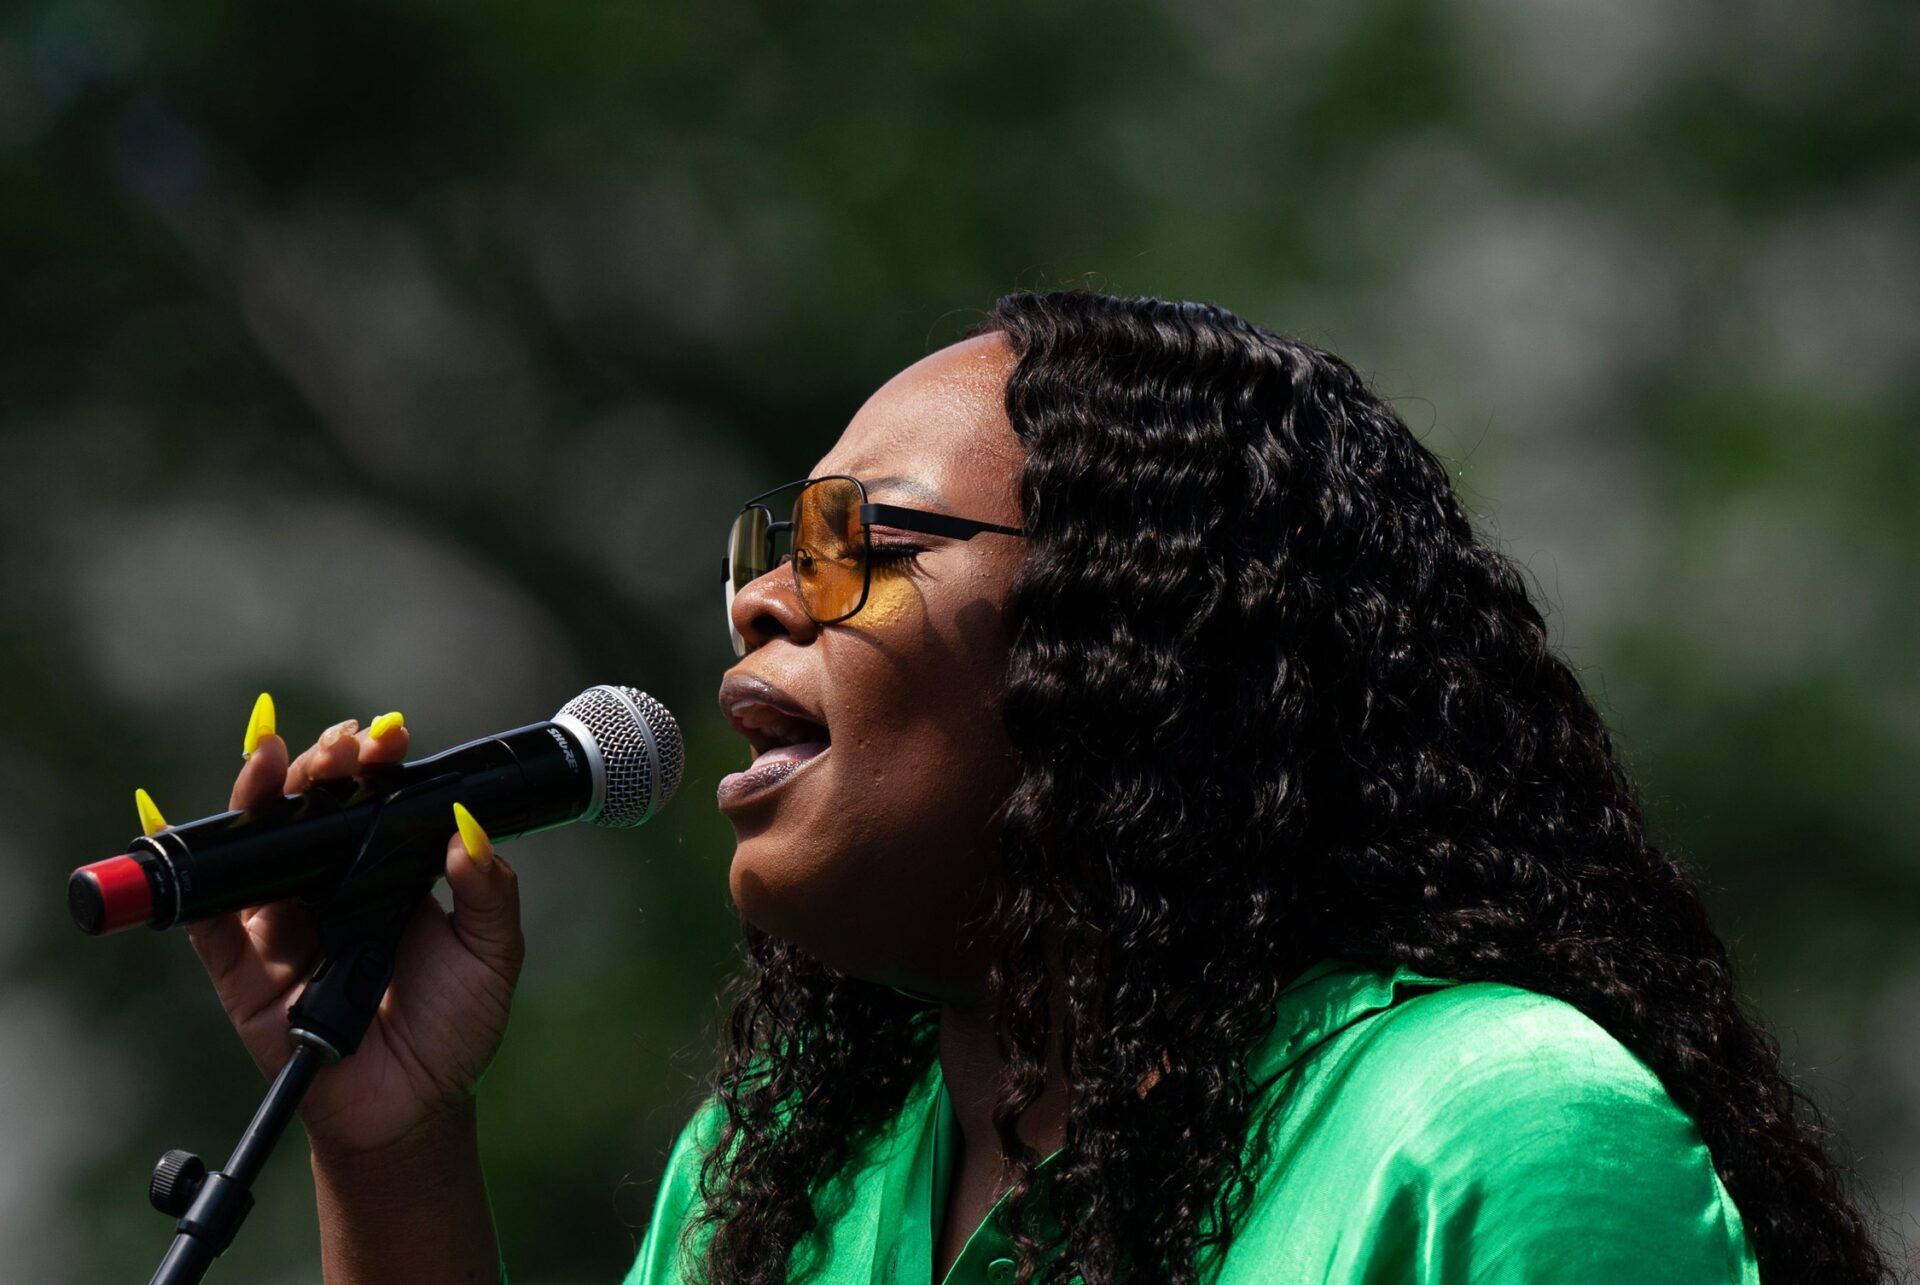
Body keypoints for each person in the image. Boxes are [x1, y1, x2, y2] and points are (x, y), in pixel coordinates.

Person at [185, 290, 1894, 1284]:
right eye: (766, 546)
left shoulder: (1479, 1132)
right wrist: (393, 1145)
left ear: (1141, 631)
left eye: (864, 539)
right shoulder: (771, 1192)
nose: (765, 595)